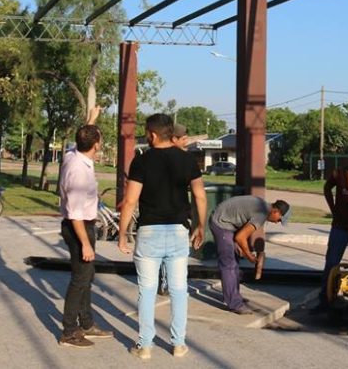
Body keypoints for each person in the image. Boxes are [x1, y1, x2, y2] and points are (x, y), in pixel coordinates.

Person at [118, 113, 207, 360]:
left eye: (147, 133)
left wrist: (123, 234)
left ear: (153, 135)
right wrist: (200, 226)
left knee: (147, 290)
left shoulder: (141, 162)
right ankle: (178, 344)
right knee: (179, 290)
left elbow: (130, 201)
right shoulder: (188, 160)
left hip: (149, 232)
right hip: (179, 231)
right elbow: (200, 196)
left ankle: (145, 346)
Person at [58, 115, 112, 348]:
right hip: (79, 227)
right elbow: (76, 214)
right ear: (96, 144)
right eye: (99, 138)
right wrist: (86, 244)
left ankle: (87, 324)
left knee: (86, 278)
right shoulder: (79, 170)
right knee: (79, 280)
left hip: (81, 225)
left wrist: (91, 119)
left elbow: (78, 140)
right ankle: (69, 332)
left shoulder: (72, 154)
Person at [310, 144, 348, 313]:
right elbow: (327, 188)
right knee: (331, 263)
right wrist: (333, 209)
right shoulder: (340, 173)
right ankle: (325, 300)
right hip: (340, 227)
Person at [209, 195, 291, 314]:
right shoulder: (261, 214)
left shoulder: (263, 207)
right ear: (275, 211)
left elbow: (241, 233)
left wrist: (241, 246)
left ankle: (235, 296)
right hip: (221, 222)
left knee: (234, 261)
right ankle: (234, 304)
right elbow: (240, 237)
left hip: (229, 222)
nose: (277, 222)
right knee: (229, 264)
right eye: (279, 219)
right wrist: (249, 255)